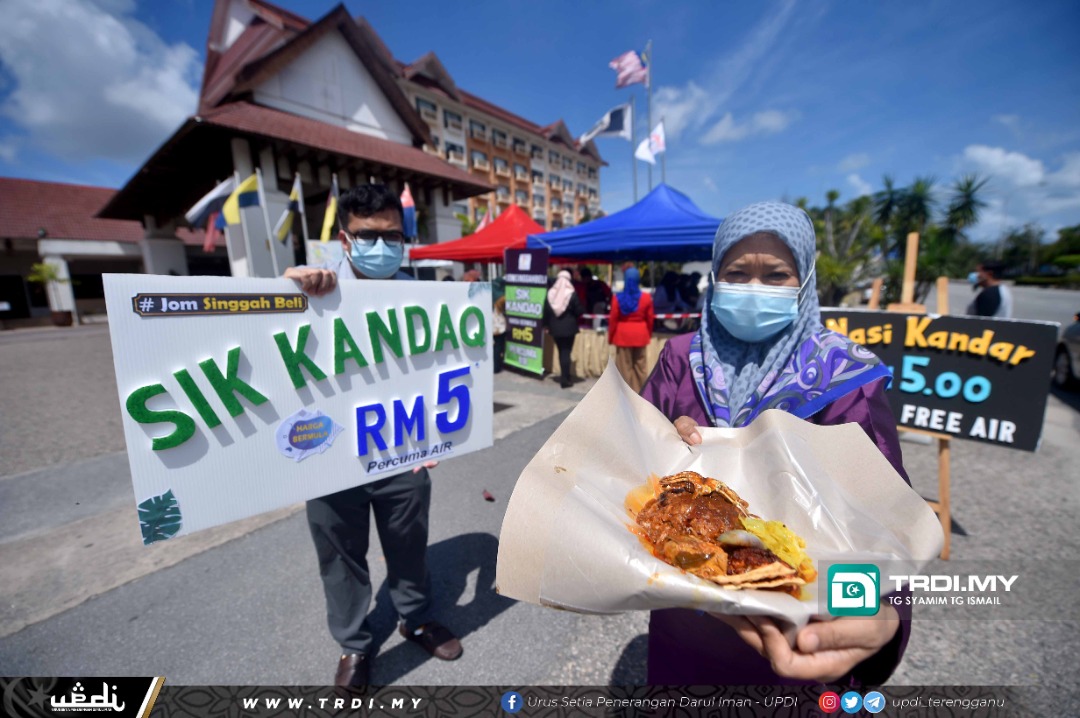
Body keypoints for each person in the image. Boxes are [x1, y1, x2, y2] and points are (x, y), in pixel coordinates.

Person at [640, 201, 911, 685]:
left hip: (796, 623)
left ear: (804, 282)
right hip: (684, 619)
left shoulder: (844, 376)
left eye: (776, 274)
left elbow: (883, 519)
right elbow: (626, 466)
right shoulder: (681, 357)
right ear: (714, 276)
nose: (753, 289)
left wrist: (881, 616)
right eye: (737, 273)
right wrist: (660, 440)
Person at [283, 184, 462, 688]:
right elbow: (265, 332)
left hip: (401, 451)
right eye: (367, 236)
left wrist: (440, 433)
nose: (380, 246)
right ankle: (354, 645)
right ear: (345, 239)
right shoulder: (310, 290)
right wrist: (287, 287)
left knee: (408, 543)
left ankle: (415, 617)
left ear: (404, 239)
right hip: (327, 456)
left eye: (391, 235)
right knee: (339, 554)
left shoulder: (422, 298)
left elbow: (443, 367)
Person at [608, 267, 655, 393]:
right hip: (640, 335)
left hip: (622, 336)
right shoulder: (646, 298)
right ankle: (640, 393)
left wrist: (611, 337)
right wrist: (648, 334)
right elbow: (650, 319)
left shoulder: (617, 298)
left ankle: (623, 394)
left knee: (624, 368)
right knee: (640, 368)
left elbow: (613, 319)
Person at [543, 270, 584, 388]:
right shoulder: (571, 294)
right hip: (569, 329)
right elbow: (579, 310)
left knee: (561, 352)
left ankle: (565, 377)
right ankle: (565, 379)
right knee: (566, 353)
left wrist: (546, 325)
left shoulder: (551, 293)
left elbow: (546, 312)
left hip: (555, 329)